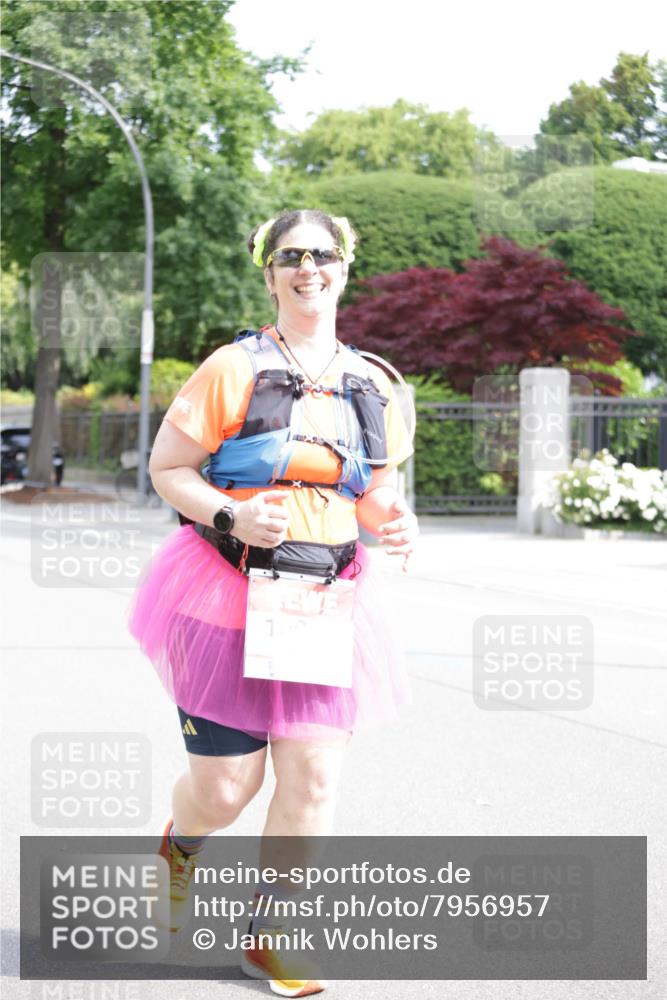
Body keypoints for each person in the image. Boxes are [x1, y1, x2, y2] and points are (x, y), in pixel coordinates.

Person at [127, 209, 419, 997]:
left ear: (344, 266)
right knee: (226, 791)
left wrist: (391, 520)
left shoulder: (375, 384)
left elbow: (375, 490)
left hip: (322, 602)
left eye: (322, 254)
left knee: (313, 779)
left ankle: (270, 935)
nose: (307, 267)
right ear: (268, 270)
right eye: (290, 255)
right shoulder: (232, 366)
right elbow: (169, 468)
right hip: (221, 597)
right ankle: (181, 844)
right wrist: (232, 513)